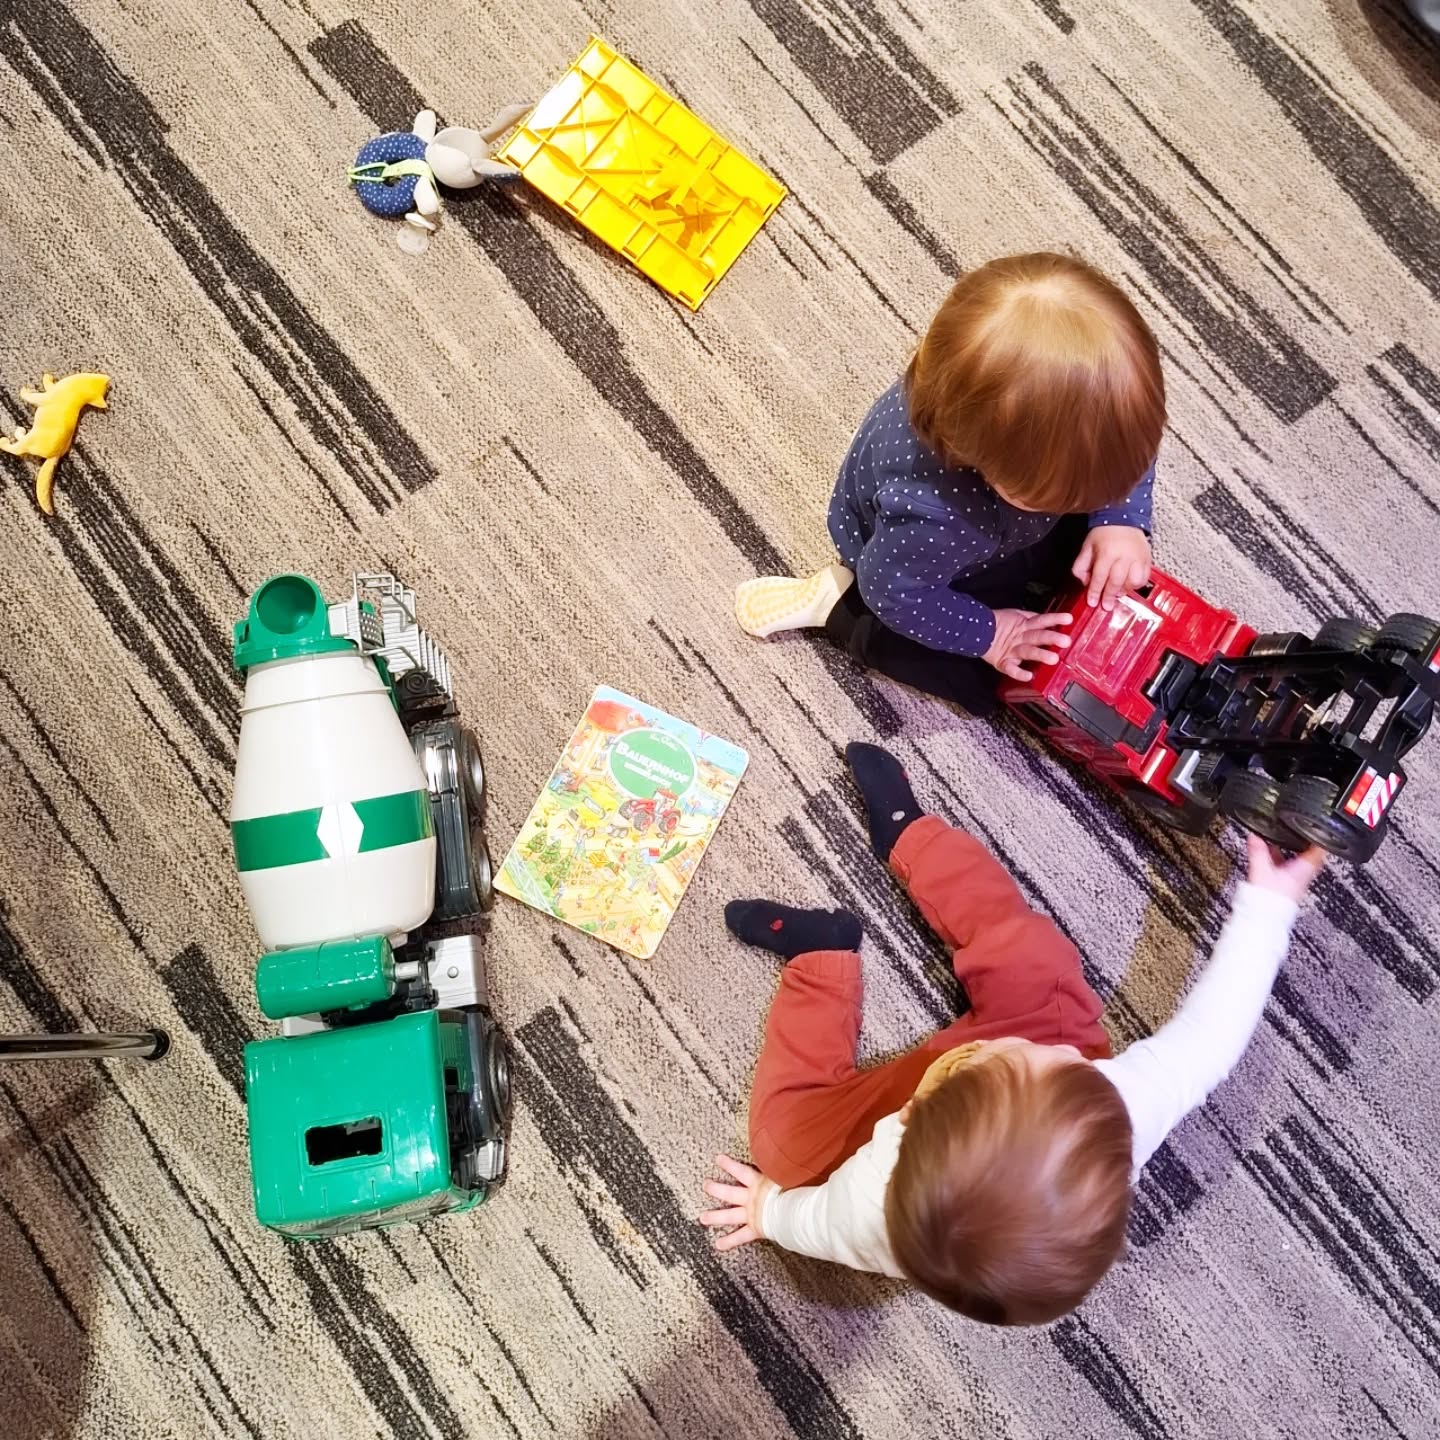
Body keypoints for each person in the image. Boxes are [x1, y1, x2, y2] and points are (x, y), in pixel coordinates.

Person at [699, 743, 1325, 1324]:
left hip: (972, 1098)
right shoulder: (1120, 1107)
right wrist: (1270, 905)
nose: (1061, 1052)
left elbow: (819, 1224)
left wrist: (769, 1212)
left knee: (783, 1149)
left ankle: (820, 957)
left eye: (1067, 1065)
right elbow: (1214, 1037)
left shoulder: (875, 1206)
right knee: (1029, 958)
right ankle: (912, 837)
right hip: (1022, 1061)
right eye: (1059, 1065)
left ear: (910, 1118)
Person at [734, 253, 1165, 714]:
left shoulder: (1043, 415)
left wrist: (1119, 518)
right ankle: (837, 607)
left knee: (1100, 564)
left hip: (1002, 511)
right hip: (903, 572)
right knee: (986, 684)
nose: (1109, 493)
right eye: (1077, 493)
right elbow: (894, 592)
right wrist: (992, 634)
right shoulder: (935, 517)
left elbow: (1122, 454)